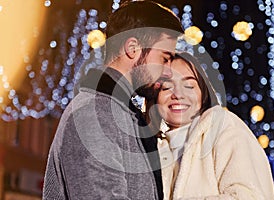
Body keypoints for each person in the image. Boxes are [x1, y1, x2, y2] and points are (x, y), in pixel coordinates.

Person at [42, 1, 183, 199]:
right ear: (133, 48)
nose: (168, 72)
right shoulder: (95, 114)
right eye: (164, 58)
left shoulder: (121, 113)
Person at [148, 52, 274, 199]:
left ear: (203, 94)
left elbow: (249, 196)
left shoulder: (224, 128)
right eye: (166, 87)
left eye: (189, 85)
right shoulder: (155, 150)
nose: (177, 94)